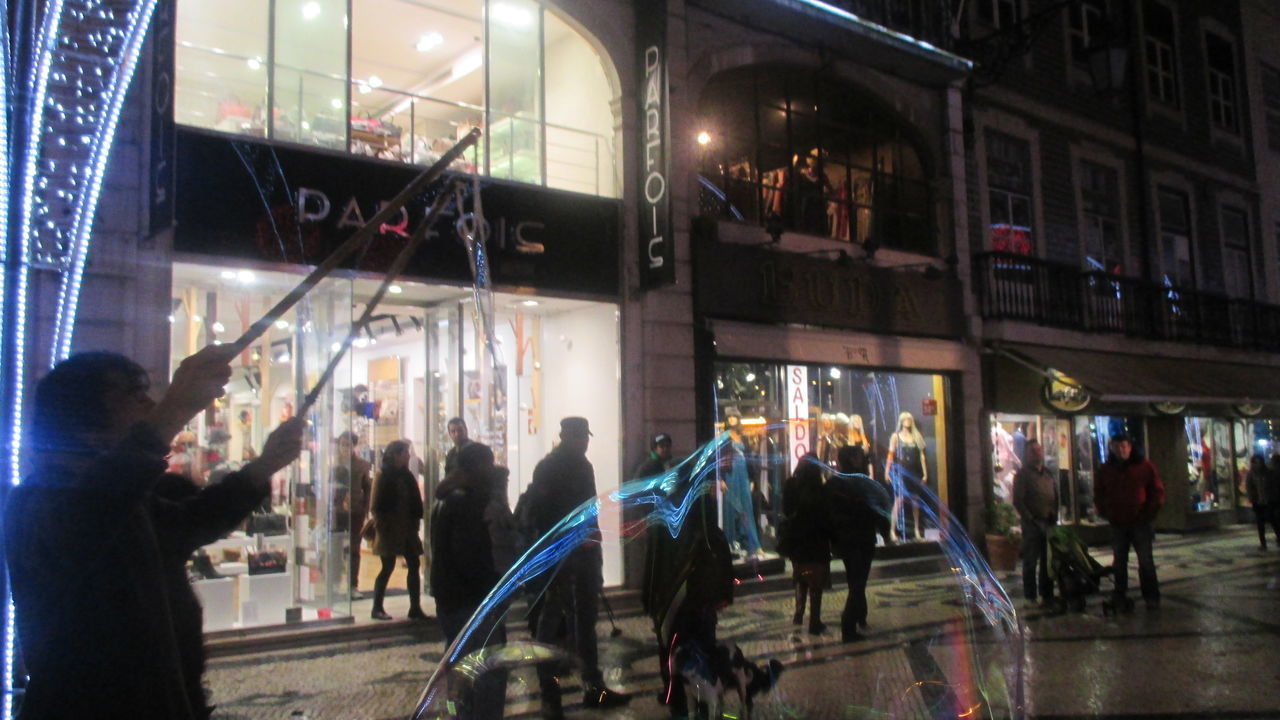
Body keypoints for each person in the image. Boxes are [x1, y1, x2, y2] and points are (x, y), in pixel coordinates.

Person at [4, 347, 304, 720]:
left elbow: (192, 522)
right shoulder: (40, 501)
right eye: (133, 393)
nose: (149, 404)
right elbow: (90, 514)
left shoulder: (125, 500)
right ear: (83, 422)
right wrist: (175, 409)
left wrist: (265, 464)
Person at [524, 417, 630, 717]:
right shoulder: (549, 467)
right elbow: (543, 515)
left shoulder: (583, 465)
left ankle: (593, 687)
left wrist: (592, 541)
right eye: (579, 436)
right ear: (566, 436)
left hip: (583, 553)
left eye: (586, 436)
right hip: (560, 556)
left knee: (584, 620)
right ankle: (550, 694)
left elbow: (589, 509)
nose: (584, 441)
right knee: (551, 622)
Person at [430, 442, 512, 719]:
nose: (492, 469)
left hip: (451, 598)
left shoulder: (447, 497)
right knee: (488, 670)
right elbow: (470, 555)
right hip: (471, 600)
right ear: (476, 467)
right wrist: (492, 590)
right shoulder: (466, 502)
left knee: (461, 668)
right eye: (488, 464)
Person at [1093, 433, 1165, 610]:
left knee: (1145, 561)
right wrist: (1106, 512)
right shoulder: (1106, 469)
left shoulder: (1144, 467)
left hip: (1140, 522)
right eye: (1118, 447)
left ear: (1130, 447)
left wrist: (1148, 513)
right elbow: (1099, 493)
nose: (1121, 450)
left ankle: (1151, 596)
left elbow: (1157, 492)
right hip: (1118, 522)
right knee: (1120, 561)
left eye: (1124, 446)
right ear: (1112, 448)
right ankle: (1120, 593)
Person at [828, 446, 890, 642]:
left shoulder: (835, 483)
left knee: (856, 579)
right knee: (858, 581)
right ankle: (849, 625)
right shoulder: (861, 482)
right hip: (860, 538)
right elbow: (876, 509)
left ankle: (859, 616)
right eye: (859, 457)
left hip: (847, 539)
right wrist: (885, 531)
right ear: (853, 459)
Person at [369, 440, 427, 621]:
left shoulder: (406, 475)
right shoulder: (383, 474)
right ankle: (377, 607)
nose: (408, 456)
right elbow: (376, 505)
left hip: (407, 527)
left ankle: (415, 607)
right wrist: (383, 526)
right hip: (390, 528)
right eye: (404, 453)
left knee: (414, 564)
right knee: (387, 567)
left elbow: (414, 500)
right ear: (395, 454)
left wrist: (415, 521)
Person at [782, 454, 832, 635]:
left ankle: (799, 613)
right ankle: (815, 620)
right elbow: (826, 516)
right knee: (816, 580)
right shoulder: (820, 489)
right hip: (817, 540)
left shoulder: (791, 485)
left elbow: (786, 510)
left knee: (800, 575)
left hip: (796, 539)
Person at [1013, 440, 1058, 604]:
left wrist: (1055, 513)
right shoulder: (1023, 474)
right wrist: (1030, 518)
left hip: (1049, 521)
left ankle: (1047, 592)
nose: (1037, 453)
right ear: (1027, 454)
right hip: (1033, 524)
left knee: (1048, 560)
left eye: (1039, 450)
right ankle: (1030, 594)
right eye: (1033, 451)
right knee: (1031, 561)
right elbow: (1018, 500)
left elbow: (1054, 494)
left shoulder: (1047, 473)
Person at [335, 430, 372, 596]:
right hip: (336, 511)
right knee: (335, 547)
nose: (344, 448)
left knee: (354, 548)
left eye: (348, 444)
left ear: (353, 446)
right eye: (342, 444)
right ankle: (335, 583)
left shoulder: (362, 465)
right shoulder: (334, 464)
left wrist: (366, 510)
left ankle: (352, 585)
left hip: (355, 510)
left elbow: (368, 488)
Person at [722, 413, 763, 559]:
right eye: (729, 417)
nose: (732, 419)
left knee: (747, 507)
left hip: (743, 472)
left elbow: (749, 457)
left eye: (734, 416)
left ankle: (752, 543)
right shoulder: (724, 437)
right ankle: (732, 543)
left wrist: (752, 479)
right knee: (732, 507)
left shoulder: (742, 436)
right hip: (731, 472)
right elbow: (719, 458)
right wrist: (721, 478)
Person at [886, 411, 929, 541]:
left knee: (916, 502)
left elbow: (922, 456)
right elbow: (890, 454)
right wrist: (887, 471)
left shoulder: (916, 436)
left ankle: (916, 530)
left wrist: (925, 473)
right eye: (905, 419)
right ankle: (892, 530)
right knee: (898, 501)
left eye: (909, 419)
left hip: (914, 472)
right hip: (902, 472)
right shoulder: (896, 436)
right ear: (901, 421)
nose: (907, 422)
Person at [1246, 454, 1279, 550]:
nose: (1257, 465)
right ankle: (1263, 543)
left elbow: (1274, 486)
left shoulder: (1269, 473)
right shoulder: (1251, 474)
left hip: (1269, 501)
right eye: (1255, 463)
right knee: (1260, 523)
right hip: (1258, 502)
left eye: (1259, 462)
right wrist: (1252, 499)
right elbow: (1249, 487)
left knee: (1273, 521)